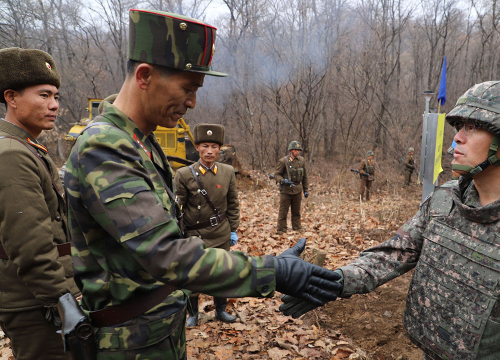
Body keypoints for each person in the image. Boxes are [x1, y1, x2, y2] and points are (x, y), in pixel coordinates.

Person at [64, 9, 341, 358]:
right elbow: (167, 254)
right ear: (145, 76)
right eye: (187, 88)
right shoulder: (104, 147)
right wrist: (272, 270)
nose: (193, 102)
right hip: (127, 342)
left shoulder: (140, 141)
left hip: (156, 330)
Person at [281, 81, 500, 359]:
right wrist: (336, 281)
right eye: (459, 127)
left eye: (473, 128)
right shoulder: (445, 198)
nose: (457, 138)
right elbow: (393, 253)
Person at [0, 47, 80, 360]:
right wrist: (65, 301)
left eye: (56, 96)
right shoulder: (12, 155)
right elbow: (31, 245)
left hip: (43, 297)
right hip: (36, 304)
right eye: (44, 95)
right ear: (12, 97)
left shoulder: (28, 147)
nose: (54, 105)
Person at [175, 124, 239, 325]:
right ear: (197, 148)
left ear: (220, 149)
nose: (209, 151)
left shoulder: (228, 172)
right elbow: (177, 207)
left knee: (222, 273)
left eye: (214, 146)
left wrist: (234, 229)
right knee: (193, 276)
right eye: (205, 146)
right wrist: (178, 233)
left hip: (220, 232)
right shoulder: (184, 174)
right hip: (195, 235)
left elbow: (233, 203)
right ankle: (193, 314)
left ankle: (220, 311)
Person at [274, 140, 309, 234]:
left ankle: (297, 228)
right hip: (286, 190)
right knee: (283, 212)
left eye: (298, 150)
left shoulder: (301, 161)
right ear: (291, 150)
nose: (297, 152)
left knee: (296, 212)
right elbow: (276, 175)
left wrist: (306, 189)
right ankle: (281, 230)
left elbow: (305, 176)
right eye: (295, 150)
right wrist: (282, 180)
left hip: (297, 189)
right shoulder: (283, 161)